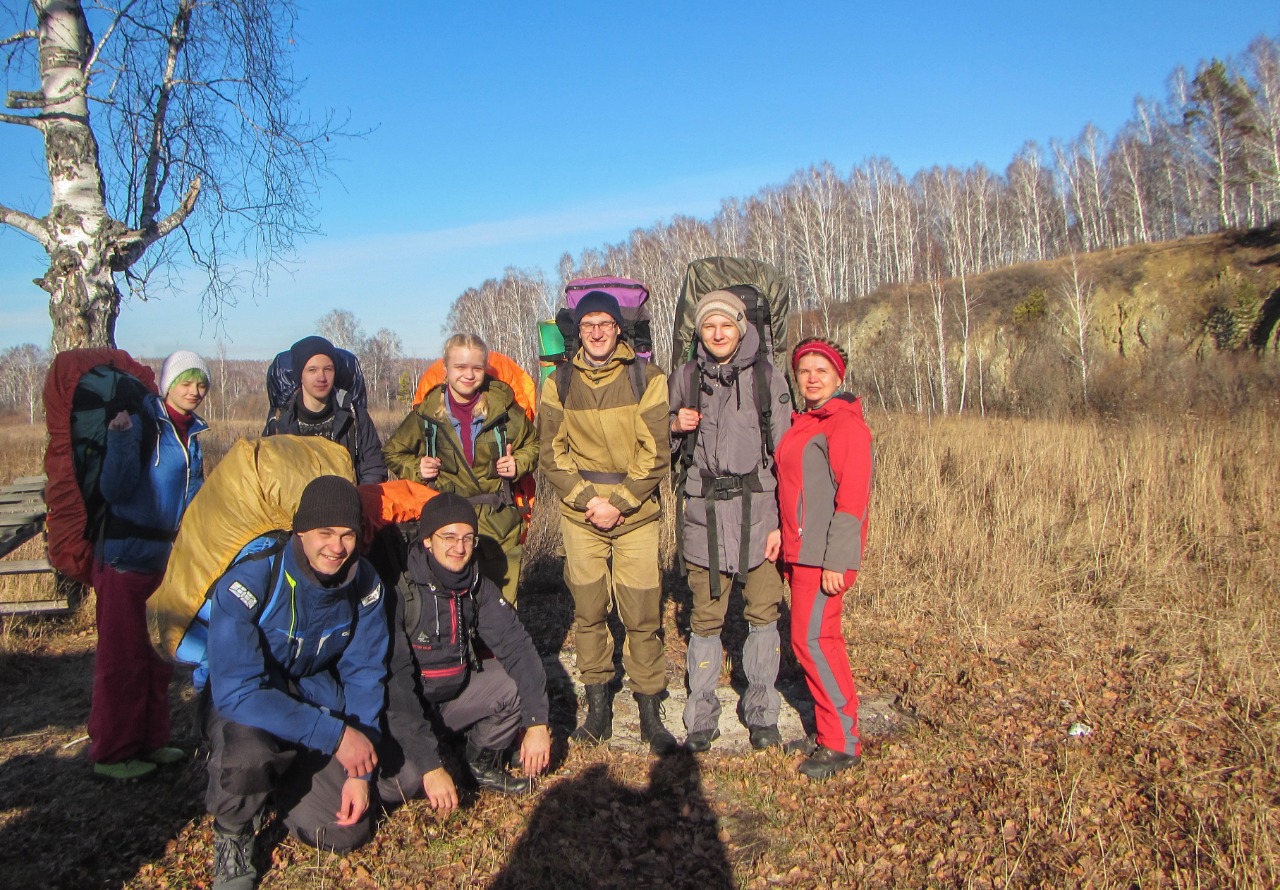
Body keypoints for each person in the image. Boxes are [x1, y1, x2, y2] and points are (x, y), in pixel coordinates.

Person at [201, 476, 388, 890]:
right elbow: (237, 691)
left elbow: (365, 672)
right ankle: (233, 832)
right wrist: (337, 736)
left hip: (312, 696)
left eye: (347, 535)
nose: (336, 547)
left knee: (345, 832)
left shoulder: (365, 583)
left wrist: (360, 770)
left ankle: (282, 784)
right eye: (324, 533)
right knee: (247, 756)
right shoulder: (250, 581)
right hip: (247, 703)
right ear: (300, 531)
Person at [538, 289, 677, 755]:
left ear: (619, 328)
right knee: (589, 610)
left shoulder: (647, 377)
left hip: (636, 514)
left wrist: (618, 501)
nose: (596, 332)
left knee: (642, 615)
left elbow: (655, 451)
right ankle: (597, 709)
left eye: (605, 323)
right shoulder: (557, 381)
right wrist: (586, 501)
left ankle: (648, 708)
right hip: (580, 517)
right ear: (577, 330)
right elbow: (550, 454)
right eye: (588, 324)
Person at [669, 290, 792, 752]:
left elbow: (787, 459)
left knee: (762, 614)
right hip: (703, 516)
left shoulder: (767, 378)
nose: (718, 333)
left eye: (726, 324)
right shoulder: (684, 378)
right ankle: (701, 715)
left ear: (742, 327)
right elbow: (658, 450)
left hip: (759, 516)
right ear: (699, 331)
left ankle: (762, 712)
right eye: (708, 325)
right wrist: (672, 425)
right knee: (705, 619)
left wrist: (782, 523)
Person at [379, 493, 551, 813]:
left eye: (467, 538)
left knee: (511, 684)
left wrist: (537, 721)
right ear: (428, 540)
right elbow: (396, 684)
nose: (459, 547)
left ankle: (480, 763)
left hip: (453, 696)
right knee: (407, 782)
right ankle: (386, 773)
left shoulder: (475, 584)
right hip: (408, 707)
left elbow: (517, 646)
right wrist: (430, 766)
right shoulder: (401, 590)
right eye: (448, 537)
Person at [90, 349, 210, 781]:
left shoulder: (193, 434)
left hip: (164, 563)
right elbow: (115, 489)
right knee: (123, 658)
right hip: (125, 559)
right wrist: (121, 439)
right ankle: (112, 751)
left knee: (160, 652)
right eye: (187, 381)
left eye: (201, 383)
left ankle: (152, 742)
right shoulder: (142, 425)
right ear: (167, 384)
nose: (195, 390)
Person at [775, 338, 872, 780]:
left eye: (822, 371)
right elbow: (796, 489)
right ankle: (831, 729)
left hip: (822, 555)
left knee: (813, 643)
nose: (812, 378)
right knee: (819, 641)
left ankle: (841, 742)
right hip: (801, 549)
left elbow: (852, 500)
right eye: (805, 371)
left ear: (839, 377)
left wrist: (839, 560)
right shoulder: (805, 422)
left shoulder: (845, 426)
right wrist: (781, 530)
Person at [382, 334, 537, 605]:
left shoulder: (505, 409)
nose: (468, 375)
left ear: (485, 369)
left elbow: (535, 446)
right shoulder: (427, 414)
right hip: (447, 528)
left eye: (476, 368)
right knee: (453, 613)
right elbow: (393, 452)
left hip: (498, 527)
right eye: (460, 367)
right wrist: (417, 469)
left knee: (501, 615)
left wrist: (518, 464)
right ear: (446, 370)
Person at [264, 335, 386, 484]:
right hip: (294, 505)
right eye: (312, 370)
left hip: (349, 503)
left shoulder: (355, 416)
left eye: (328, 369)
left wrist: (358, 500)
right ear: (300, 375)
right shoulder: (279, 422)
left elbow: (374, 469)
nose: (321, 377)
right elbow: (266, 475)